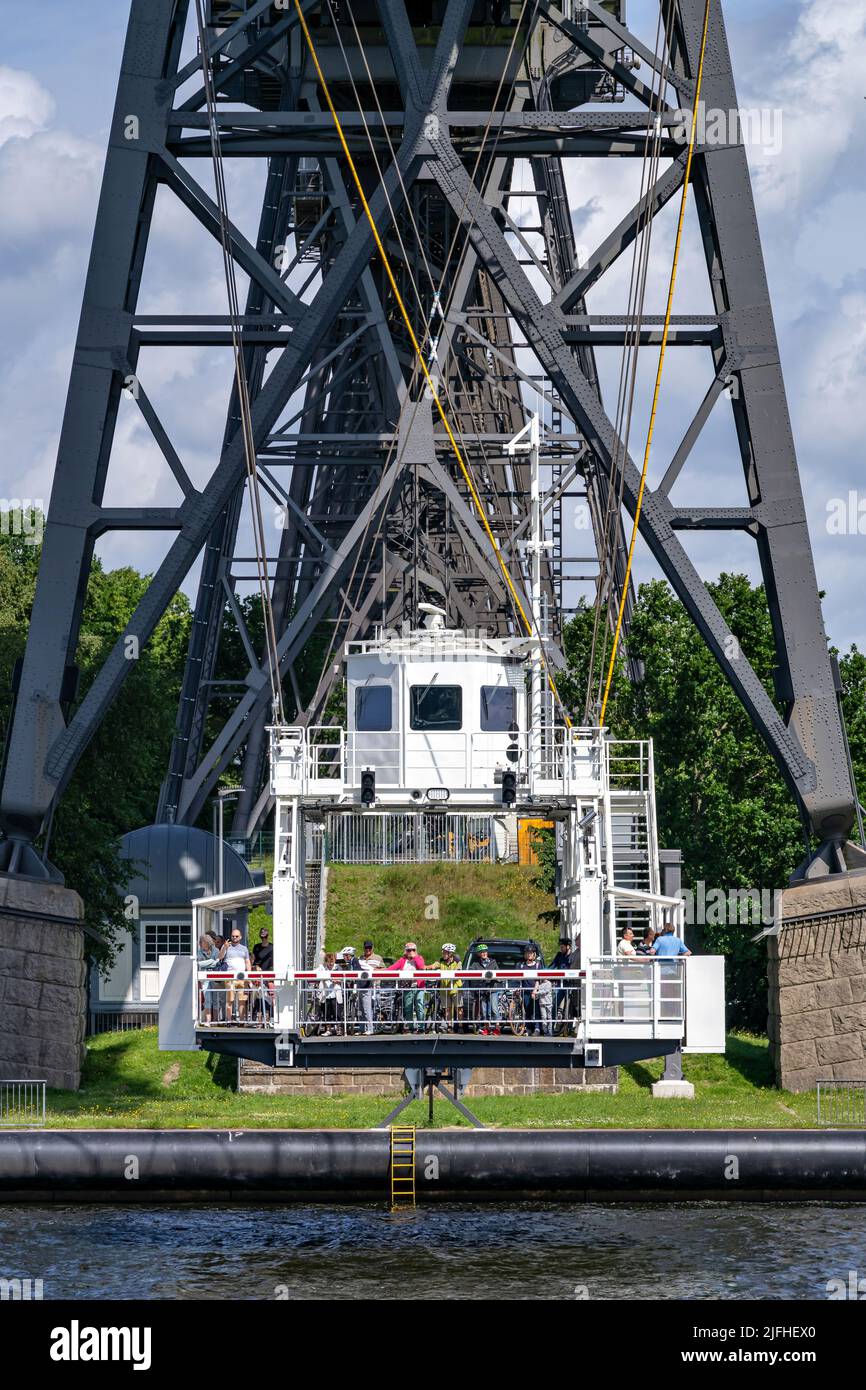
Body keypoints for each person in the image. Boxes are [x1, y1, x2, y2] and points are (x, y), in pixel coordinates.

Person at [386, 942, 427, 1031]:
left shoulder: (419, 958)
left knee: (419, 1006)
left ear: (416, 951)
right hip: (407, 987)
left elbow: (421, 967)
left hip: (419, 986)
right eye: (409, 950)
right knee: (408, 1008)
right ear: (405, 951)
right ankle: (411, 1027)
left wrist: (414, 957)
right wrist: (380, 971)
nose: (411, 952)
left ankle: (421, 1027)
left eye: (413, 950)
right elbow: (392, 968)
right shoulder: (402, 960)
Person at [431, 943, 462, 1031]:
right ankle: (449, 1026)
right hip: (444, 987)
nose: (442, 953)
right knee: (447, 1009)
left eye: (444, 952)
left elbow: (459, 971)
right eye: (442, 952)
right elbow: (434, 966)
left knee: (459, 1008)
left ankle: (460, 1026)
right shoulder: (441, 961)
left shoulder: (457, 961)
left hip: (456, 988)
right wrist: (426, 967)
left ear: (450, 953)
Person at [521, 944, 551, 1035]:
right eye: (527, 953)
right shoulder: (522, 966)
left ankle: (537, 1028)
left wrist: (535, 990)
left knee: (537, 1010)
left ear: (534, 954)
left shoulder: (538, 965)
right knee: (528, 1010)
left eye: (531, 953)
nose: (529, 955)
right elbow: (519, 980)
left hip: (535, 990)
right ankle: (529, 1028)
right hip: (525, 991)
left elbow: (538, 979)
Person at [223, 927, 251, 1023]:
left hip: (241, 977)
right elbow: (220, 957)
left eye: (236, 936)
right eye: (233, 936)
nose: (234, 937)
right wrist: (224, 947)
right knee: (230, 1000)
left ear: (240, 937)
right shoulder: (226, 946)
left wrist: (249, 975)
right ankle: (229, 1021)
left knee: (242, 1000)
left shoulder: (244, 948)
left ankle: (242, 1021)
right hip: (230, 977)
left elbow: (247, 962)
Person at [473, 943, 501, 1034]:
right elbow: (470, 974)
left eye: (485, 951)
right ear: (478, 954)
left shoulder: (493, 962)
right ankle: (487, 1028)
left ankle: (497, 1028)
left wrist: (496, 978)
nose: (484, 953)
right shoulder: (475, 964)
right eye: (481, 952)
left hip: (492, 989)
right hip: (482, 990)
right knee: (484, 1011)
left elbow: (499, 975)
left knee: (494, 1009)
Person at [357, 940, 383, 1035]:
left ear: (372, 948)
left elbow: (384, 970)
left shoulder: (378, 958)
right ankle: (362, 1028)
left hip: (374, 986)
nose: (368, 949)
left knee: (371, 1008)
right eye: (366, 948)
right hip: (362, 986)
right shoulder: (360, 958)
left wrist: (374, 970)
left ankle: (371, 1028)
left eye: (369, 948)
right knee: (361, 1008)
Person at [250, 926, 274, 1021]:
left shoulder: (272, 947)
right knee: (257, 997)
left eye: (265, 933)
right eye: (262, 933)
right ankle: (258, 1019)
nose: (263, 936)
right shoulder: (256, 947)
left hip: (268, 975)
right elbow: (253, 960)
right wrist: (254, 969)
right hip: (258, 974)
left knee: (267, 997)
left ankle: (267, 1020)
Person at [196, 934, 219, 1024]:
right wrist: (211, 962)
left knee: (216, 998)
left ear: (207, 942)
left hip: (215, 977)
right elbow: (199, 964)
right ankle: (208, 1021)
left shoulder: (216, 950)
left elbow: (217, 963)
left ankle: (216, 1020)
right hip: (204, 977)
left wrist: (210, 963)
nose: (200, 944)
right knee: (207, 998)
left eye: (201, 942)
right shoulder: (199, 952)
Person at [317, 951, 343, 1029]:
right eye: (329, 962)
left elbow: (343, 979)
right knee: (326, 1013)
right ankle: (328, 1030)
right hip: (326, 993)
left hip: (335, 993)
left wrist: (337, 980)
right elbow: (315, 974)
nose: (331, 964)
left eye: (332, 961)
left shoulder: (338, 968)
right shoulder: (322, 968)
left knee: (337, 1013)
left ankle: (339, 1029)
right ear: (326, 962)